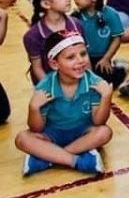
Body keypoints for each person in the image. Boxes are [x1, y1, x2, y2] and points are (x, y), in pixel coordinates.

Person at [15, 30, 111, 176]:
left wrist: (106, 97)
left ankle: (49, 158)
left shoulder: (94, 82)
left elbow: (99, 122)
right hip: (52, 135)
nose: (80, 60)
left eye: (83, 54)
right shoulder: (45, 86)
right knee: (22, 139)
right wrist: (33, 108)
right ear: (54, 64)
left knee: (105, 132)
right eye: (71, 57)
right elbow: (36, 128)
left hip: (82, 133)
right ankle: (77, 161)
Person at [71, 0, 128, 89]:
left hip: (102, 57)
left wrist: (106, 59)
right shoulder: (75, 17)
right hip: (83, 58)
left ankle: (121, 68)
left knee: (107, 83)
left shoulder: (110, 14)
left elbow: (117, 38)